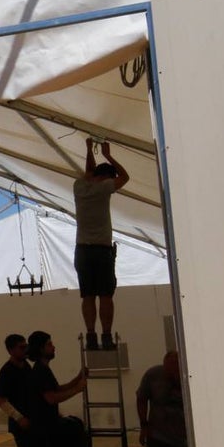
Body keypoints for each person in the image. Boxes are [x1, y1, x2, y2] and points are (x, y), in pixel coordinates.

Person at [73, 138, 129, 350]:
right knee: (106, 295)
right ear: (106, 176)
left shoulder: (79, 187)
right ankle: (106, 335)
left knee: (87, 295)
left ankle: (90, 334)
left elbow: (89, 172)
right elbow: (125, 177)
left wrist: (88, 148)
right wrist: (108, 155)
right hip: (102, 250)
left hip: (82, 250)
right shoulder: (105, 187)